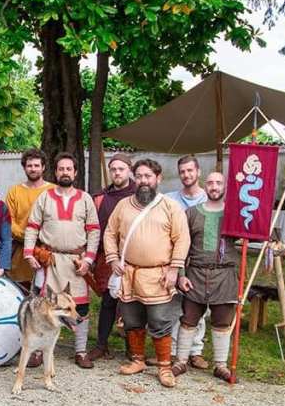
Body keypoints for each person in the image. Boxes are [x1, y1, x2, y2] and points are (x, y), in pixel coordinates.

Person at [103, 158, 190, 388]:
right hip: (129, 274)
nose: (143, 181)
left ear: (158, 178)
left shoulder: (171, 207)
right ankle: (138, 360)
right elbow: (110, 233)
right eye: (139, 176)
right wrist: (113, 259)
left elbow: (182, 239)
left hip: (158, 275)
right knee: (132, 319)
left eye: (148, 176)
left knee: (160, 320)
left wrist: (174, 269)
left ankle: (164, 367)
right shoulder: (123, 205)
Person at [23, 153, 100, 368]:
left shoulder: (85, 199)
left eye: (69, 169)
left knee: (80, 306)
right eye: (61, 169)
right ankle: (39, 351)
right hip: (50, 261)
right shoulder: (45, 197)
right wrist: (29, 253)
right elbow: (32, 227)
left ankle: (80, 351)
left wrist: (89, 260)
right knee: (43, 306)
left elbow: (94, 231)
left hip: (77, 262)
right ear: (55, 172)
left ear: (75, 173)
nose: (65, 172)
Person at [174, 171, 238, 382]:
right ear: (205, 185)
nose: (214, 186)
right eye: (210, 183)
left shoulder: (234, 214)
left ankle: (220, 365)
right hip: (196, 274)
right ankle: (181, 361)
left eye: (219, 183)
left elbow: (253, 234)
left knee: (222, 321)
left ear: (224, 186)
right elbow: (181, 246)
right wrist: (181, 275)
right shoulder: (191, 213)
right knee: (189, 319)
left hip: (225, 274)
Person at [162, 155, 209, 368]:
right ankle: (172, 350)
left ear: (198, 172)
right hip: (174, 258)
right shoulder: (169, 199)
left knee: (199, 306)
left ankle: (195, 351)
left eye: (190, 170)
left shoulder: (209, 199)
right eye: (182, 171)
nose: (186, 175)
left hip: (199, 260)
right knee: (173, 305)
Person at [89, 155, 137, 361]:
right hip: (108, 258)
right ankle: (101, 345)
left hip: (134, 258)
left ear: (129, 170)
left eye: (121, 169)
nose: (117, 172)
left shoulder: (139, 195)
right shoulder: (100, 198)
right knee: (108, 302)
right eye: (113, 169)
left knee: (132, 303)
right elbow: (94, 229)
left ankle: (133, 347)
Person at [5, 148, 53, 290]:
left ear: (43, 167)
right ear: (24, 167)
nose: (33, 169)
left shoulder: (53, 191)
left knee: (46, 295)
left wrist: (43, 238)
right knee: (20, 294)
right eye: (29, 166)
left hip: (47, 252)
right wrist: (29, 237)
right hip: (20, 253)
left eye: (36, 165)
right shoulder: (14, 191)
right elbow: (8, 221)